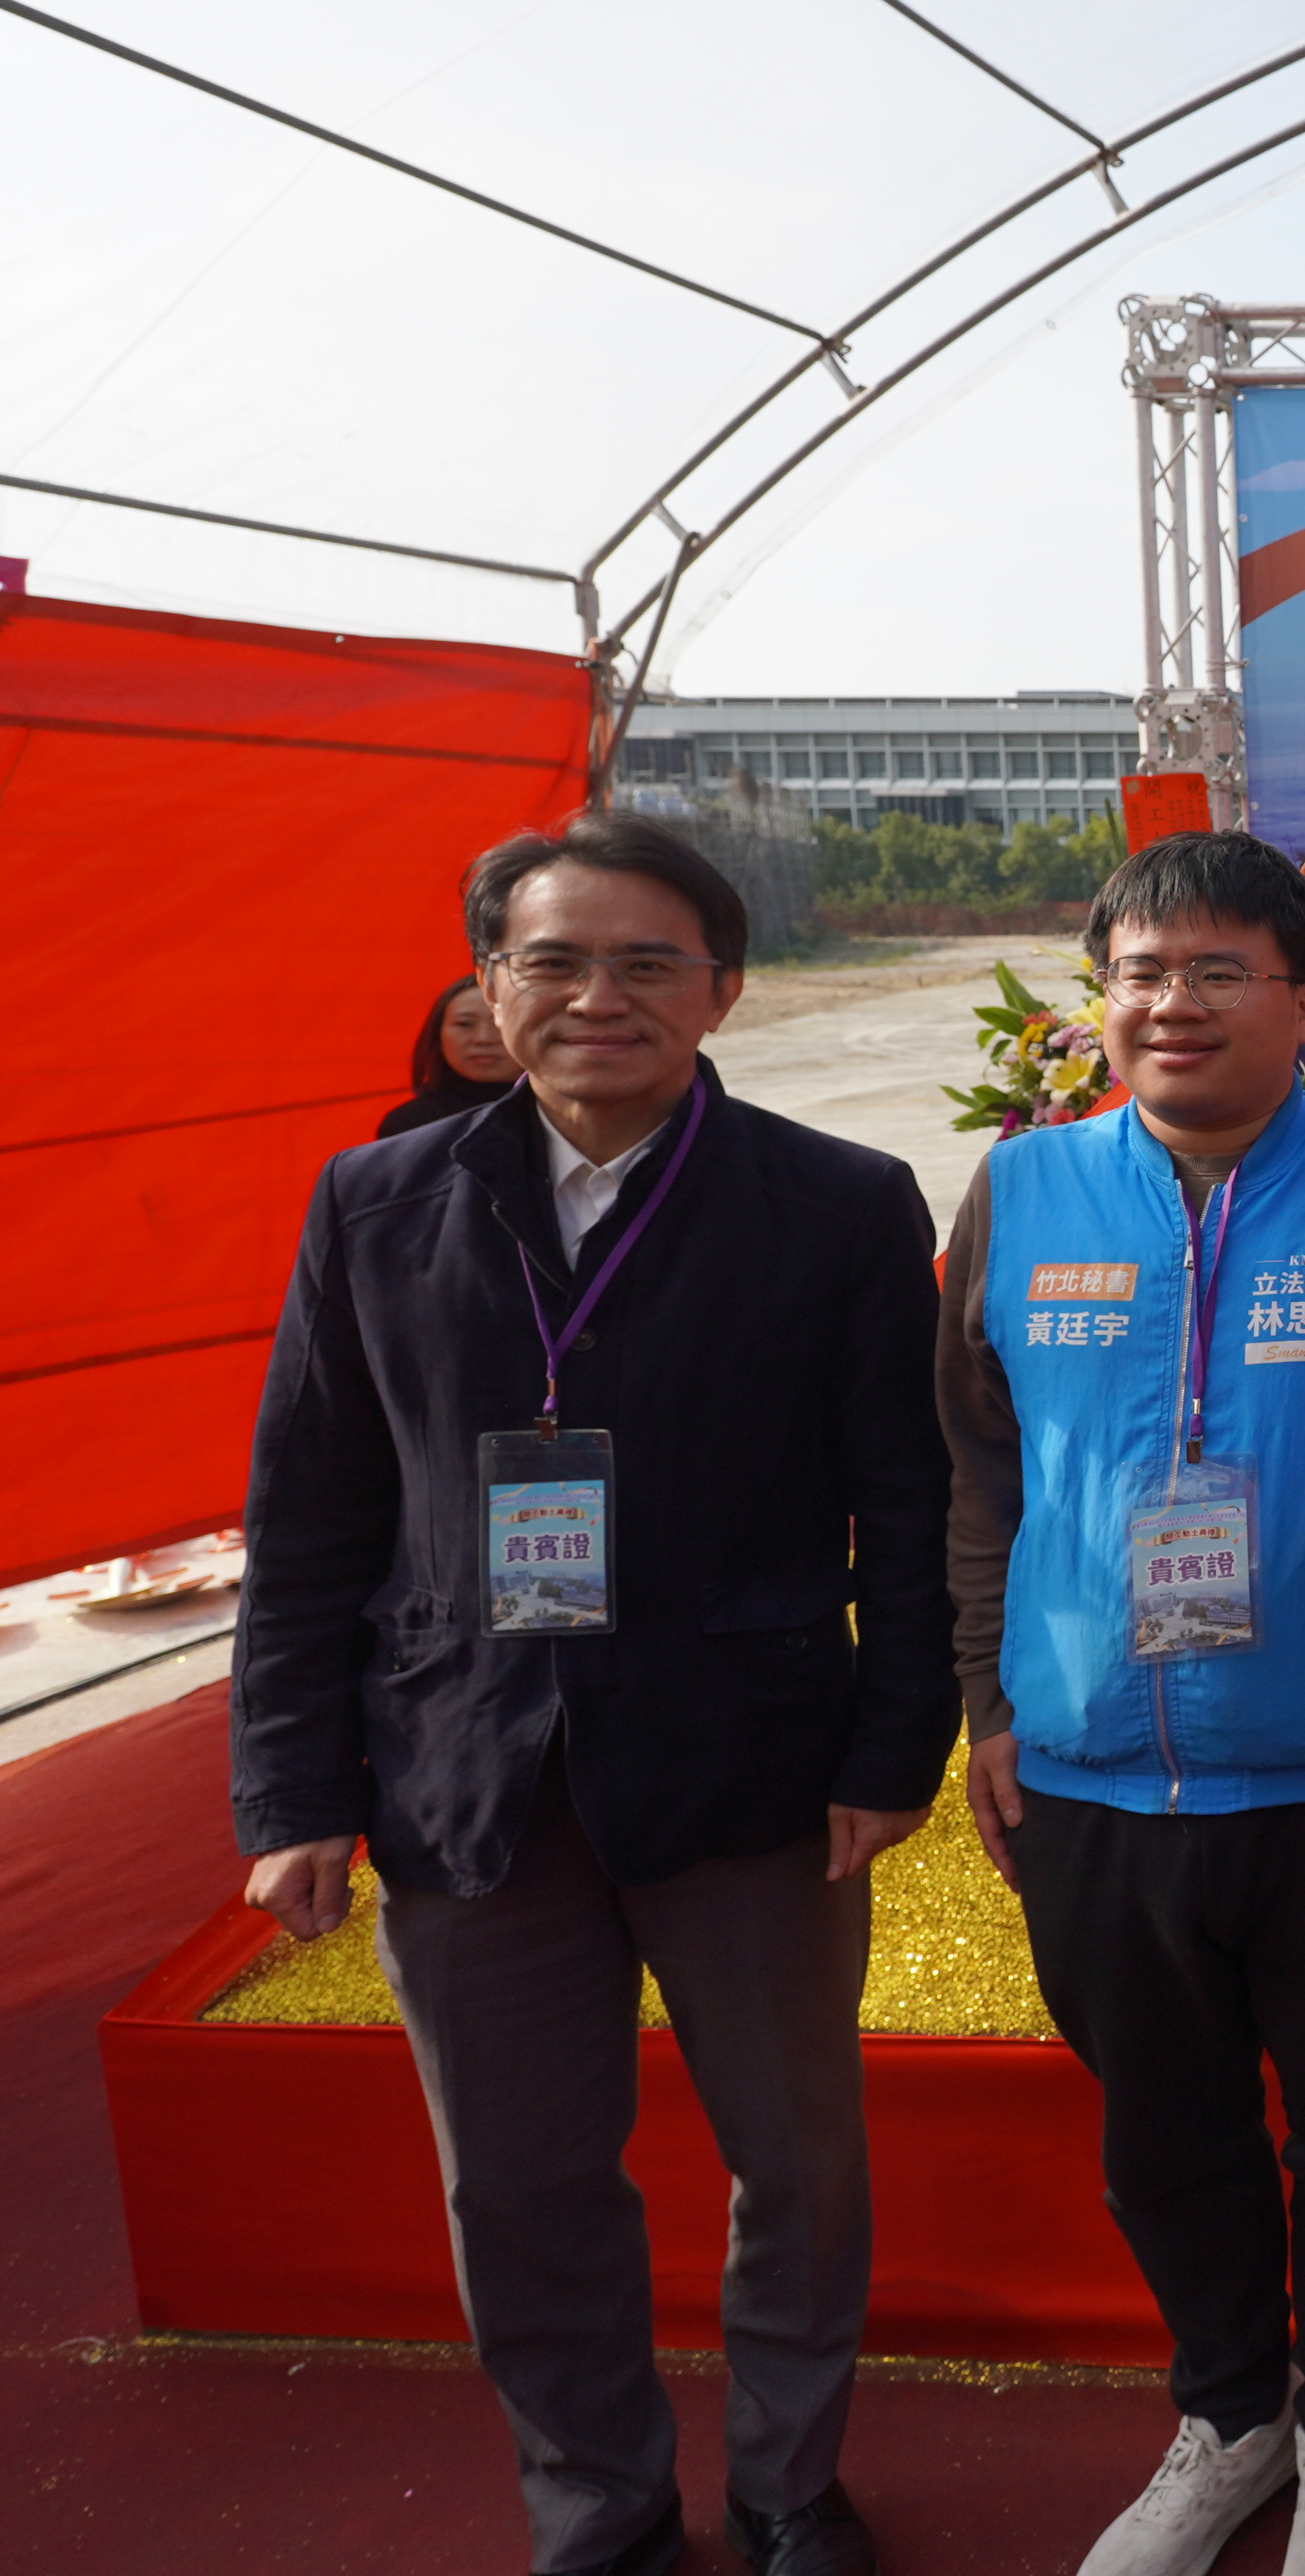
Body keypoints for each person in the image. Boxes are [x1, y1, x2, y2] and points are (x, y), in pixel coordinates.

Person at [231, 810, 951, 2576]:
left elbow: (911, 1503)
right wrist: (291, 1791)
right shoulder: (378, 1199)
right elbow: (309, 1513)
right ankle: (600, 2502)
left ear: (720, 988)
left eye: (646, 961)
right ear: (488, 985)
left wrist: (893, 1743)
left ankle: (792, 2484)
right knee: (525, 2184)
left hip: (754, 1776)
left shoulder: (840, 1202)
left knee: (793, 2163)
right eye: (551, 958)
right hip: (465, 1778)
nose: (596, 995)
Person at [937, 827, 1305, 2576]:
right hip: (1097, 1779)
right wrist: (989, 1700)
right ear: (1098, 1000)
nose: (1172, 1004)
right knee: (1162, 2135)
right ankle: (1229, 2412)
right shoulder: (1020, 1198)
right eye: (1139, 973)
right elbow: (975, 1474)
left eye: (1216, 970)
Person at [378, 970, 520, 1133]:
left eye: (500, 1023)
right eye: (464, 1024)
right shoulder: (408, 1125)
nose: (483, 1039)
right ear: (438, 1034)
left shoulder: (552, 1117)